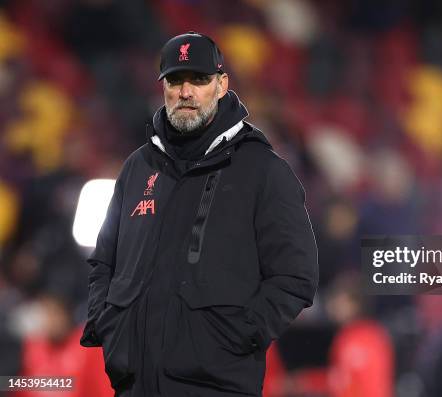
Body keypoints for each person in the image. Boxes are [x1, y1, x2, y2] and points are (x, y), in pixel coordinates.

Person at [79, 31, 319, 397]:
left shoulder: (263, 170)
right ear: (162, 88)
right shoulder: (138, 168)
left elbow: (296, 275)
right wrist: (107, 324)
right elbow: (103, 263)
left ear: (222, 85)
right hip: (134, 385)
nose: (186, 92)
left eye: (199, 80)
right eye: (175, 80)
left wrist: (236, 336)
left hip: (216, 387)